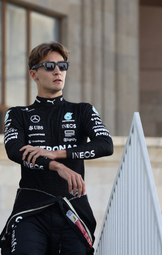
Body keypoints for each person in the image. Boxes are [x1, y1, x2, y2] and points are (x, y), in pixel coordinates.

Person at [0, 41, 113, 255]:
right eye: (50, 66)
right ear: (34, 74)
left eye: (62, 66)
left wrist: (58, 154)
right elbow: (15, 150)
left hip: (73, 210)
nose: (58, 71)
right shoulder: (17, 114)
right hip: (31, 209)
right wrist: (57, 166)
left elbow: (105, 145)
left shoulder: (83, 111)